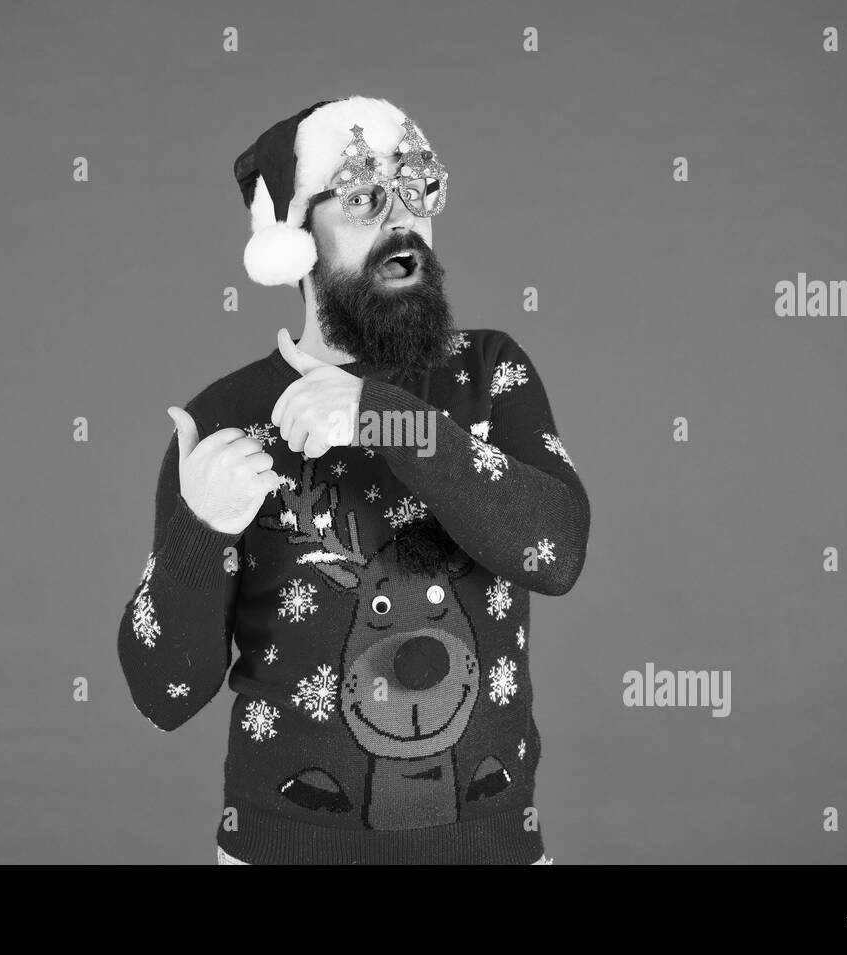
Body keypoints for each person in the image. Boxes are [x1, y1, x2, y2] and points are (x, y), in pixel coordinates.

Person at [116, 95, 588, 864]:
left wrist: (381, 415)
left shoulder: (488, 373)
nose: (404, 224)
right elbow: (162, 693)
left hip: (491, 847)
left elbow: (555, 550)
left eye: (420, 190)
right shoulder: (229, 421)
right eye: (367, 197)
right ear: (294, 240)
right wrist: (199, 532)